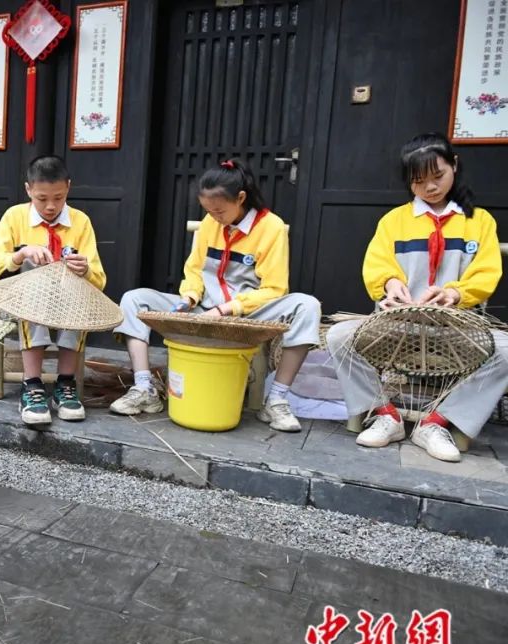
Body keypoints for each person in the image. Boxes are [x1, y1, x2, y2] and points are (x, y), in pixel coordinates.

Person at [326, 131, 506, 462]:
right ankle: (384, 414)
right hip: (399, 326)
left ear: (454, 165)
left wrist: (456, 292)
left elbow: (486, 273)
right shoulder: (393, 222)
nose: (430, 187)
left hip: (459, 330)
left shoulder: (479, 222)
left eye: (438, 176)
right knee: (338, 336)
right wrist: (390, 283)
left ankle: (438, 421)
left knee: (507, 350)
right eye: (419, 181)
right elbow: (377, 266)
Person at [110, 158, 321, 432]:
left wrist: (227, 309)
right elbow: (195, 270)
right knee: (134, 298)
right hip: (203, 309)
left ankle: (277, 399)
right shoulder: (210, 224)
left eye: (219, 210)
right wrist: (189, 297)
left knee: (308, 305)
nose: (214, 217)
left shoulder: (272, 227)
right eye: (208, 210)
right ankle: (144, 389)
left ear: (241, 198)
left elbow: (275, 288)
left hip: (248, 314)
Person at [0, 155, 107, 425]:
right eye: (41, 198)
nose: (50, 206)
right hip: (18, 304)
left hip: (68, 302)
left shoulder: (80, 221)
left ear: (68, 187)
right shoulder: (14, 217)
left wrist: (84, 270)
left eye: (58, 198)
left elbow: (99, 280)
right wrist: (20, 255)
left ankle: (65, 383)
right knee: (35, 285)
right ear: (28, 190)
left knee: (79, 293)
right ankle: (32, 384)